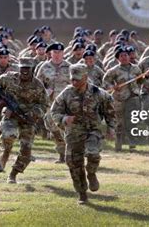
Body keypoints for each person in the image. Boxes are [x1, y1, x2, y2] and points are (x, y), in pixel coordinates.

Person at [51, 63, 115, 204]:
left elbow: (109, 110)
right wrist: (63, 118)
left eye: (77, 79)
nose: (74, 82)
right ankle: (82, 193)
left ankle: (91, 173)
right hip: (73, 132)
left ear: (85, 77)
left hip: (93, 130)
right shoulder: (66, 93)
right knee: (74, 163)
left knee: (92, 153)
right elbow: (54, 111)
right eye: (72, 79)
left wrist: (111, 127)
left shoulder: (98, 93)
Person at [0, 57, 48, 183]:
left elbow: (44, 104)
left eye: (27, 68)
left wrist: (32, 113)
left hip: (28, 119)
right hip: (10, 117)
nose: (25, 71)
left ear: (32, 69)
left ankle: (13, 174)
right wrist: (0, 103)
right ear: (19, 68)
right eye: (23, 68)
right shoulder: (9, 78)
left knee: (26, 151)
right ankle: (6, 151)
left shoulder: (38, 85)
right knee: (9, 135)